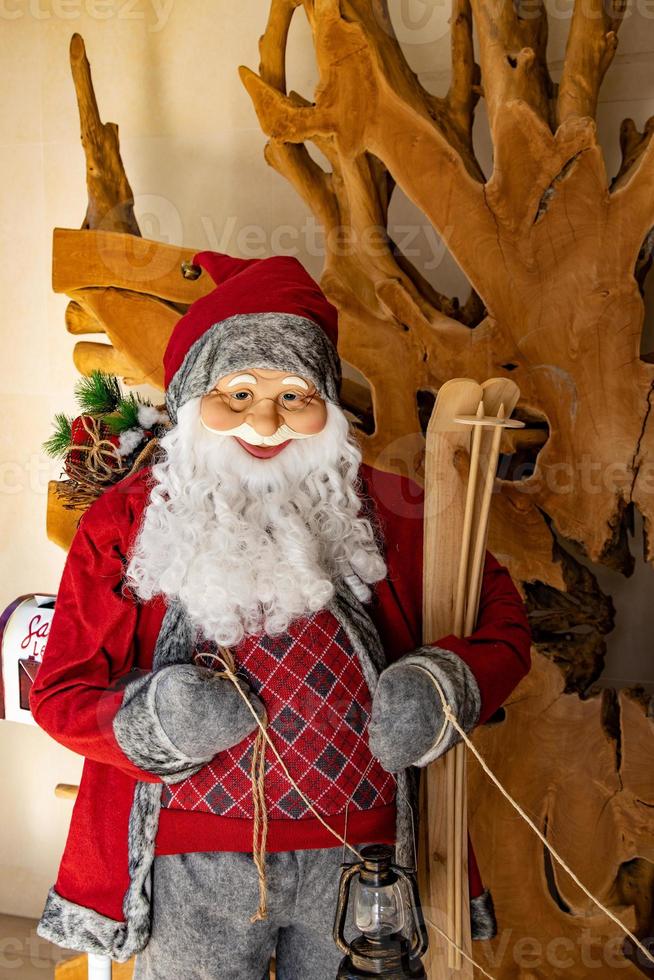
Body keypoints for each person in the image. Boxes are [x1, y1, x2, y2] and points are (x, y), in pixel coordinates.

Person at [31, 250, 531, 979]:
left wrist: (440, 689)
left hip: (361, 863)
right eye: (236, 394)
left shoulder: (395, 508)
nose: (264, 421)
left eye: (294, 396)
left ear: (326, 407)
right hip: (191, 870)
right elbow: (61, 694)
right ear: (194, 398)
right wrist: (159, 723)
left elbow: (503, 629)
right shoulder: (128, 522)